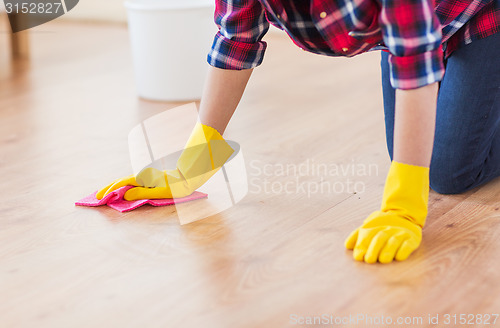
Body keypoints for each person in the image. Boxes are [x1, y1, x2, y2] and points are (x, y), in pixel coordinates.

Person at [97, 0, 499, 264]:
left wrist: (403, 206)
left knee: (446, 173)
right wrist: (191, 167)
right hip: (418, 29)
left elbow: (413, 62)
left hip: (479, 17)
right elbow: (235, 43)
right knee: (408, 152)